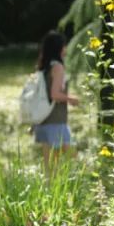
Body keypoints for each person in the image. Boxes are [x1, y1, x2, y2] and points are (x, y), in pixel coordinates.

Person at [34, 30, 79, 166]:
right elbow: (55, 94)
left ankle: (51, 187)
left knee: (51, 167)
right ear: (58, 48)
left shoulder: (43, 67)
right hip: (56, 121)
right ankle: (94, 186)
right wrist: (71, 98)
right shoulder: (58, 67)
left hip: (43, 121)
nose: (66, 49)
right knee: (75, 160)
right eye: (64, 45)